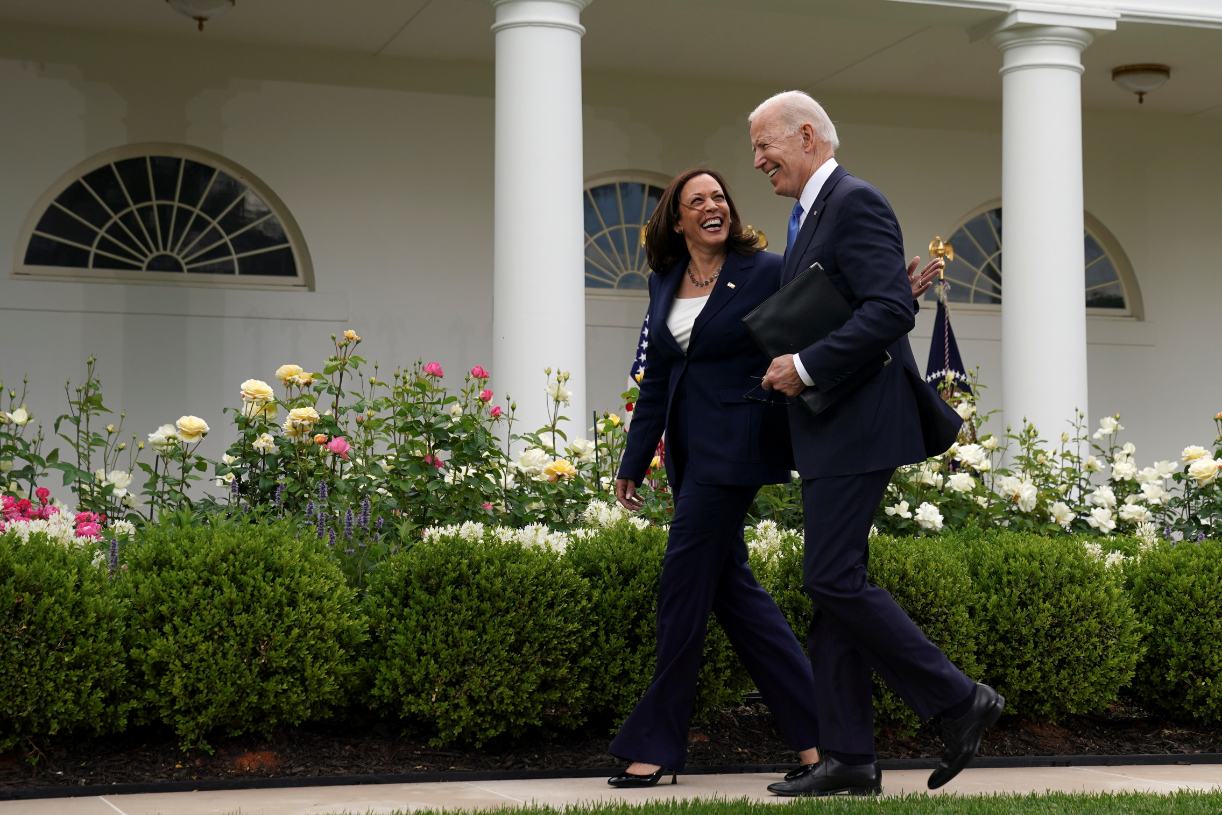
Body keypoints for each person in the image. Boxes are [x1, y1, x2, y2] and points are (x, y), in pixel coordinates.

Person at [750, 90, 1005, 797]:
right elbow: (876, 298)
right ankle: (850, 758)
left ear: (807, 136)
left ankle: (959, 700)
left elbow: (888, 311)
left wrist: (803, 366)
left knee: (830, 576)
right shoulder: (810, 215)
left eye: (764, 145)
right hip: (833, 424)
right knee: (833, 586)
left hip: (859, 420)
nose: (758, 160)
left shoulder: (854, 200)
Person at [607, 167, 823, 788]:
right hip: (689, 455)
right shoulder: (665, 282)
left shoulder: (766, 270)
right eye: (696, 200)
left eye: (719, 197)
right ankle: (821, 740)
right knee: (737, 598)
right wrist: (633, 461)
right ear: (677, 219)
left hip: (738, 447)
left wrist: (899, 294)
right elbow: (658, 382)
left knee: (681, 589)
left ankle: (656, 744)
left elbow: (826, 311)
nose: (712, 206)